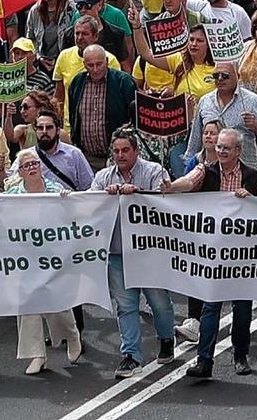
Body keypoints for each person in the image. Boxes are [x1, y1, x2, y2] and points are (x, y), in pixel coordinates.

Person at [172, 128, 257, 381]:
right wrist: (171, 187)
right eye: (219, 146)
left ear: (238, 151)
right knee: (210, 307)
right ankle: (204, 360)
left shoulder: (254, 177)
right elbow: (189, 181)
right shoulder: (206, 169)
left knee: (242, 308)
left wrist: (252, 200)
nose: (220, 151)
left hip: (243, 253)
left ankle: (240, 354)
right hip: (213, 251)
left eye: (226, 147)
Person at [94, 129, 175, 377]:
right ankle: (130, 355)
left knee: (159, 304)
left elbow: (164, 201)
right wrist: (102, 197)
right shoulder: (102, 177)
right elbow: (87, 203)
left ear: (136, 151)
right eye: (116, 151)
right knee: (126, 306)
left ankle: (167, 338)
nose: (120, 155)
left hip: (148, 254)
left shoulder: (154, 172)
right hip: (117, 253)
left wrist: (137, 192)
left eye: (125, 150)